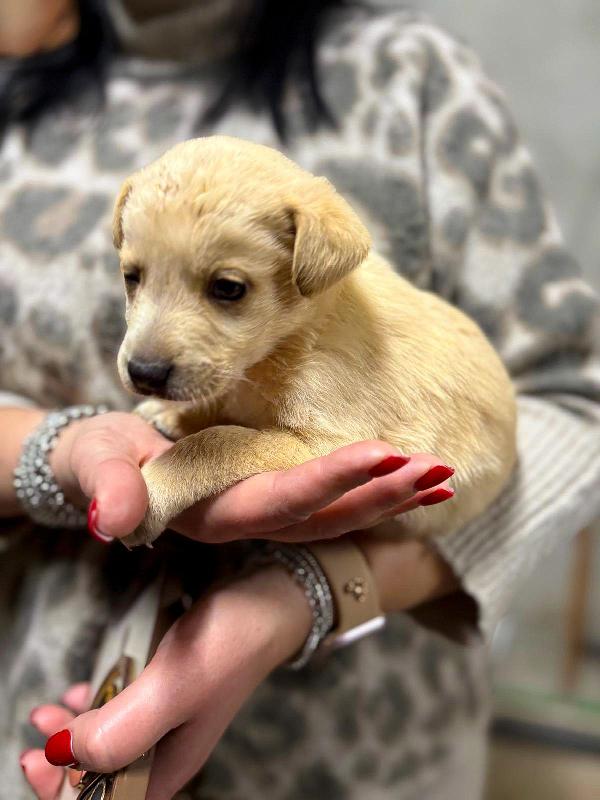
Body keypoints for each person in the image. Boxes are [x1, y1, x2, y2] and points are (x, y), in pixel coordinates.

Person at [1, 1, 600, 798]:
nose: (144, 345)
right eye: (134, 277)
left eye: (226, 289)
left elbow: (576, 399)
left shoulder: (414, 78)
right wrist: (54, 451)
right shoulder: (19, 89)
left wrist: (316, 588)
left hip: (356, 750)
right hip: (47, 687)